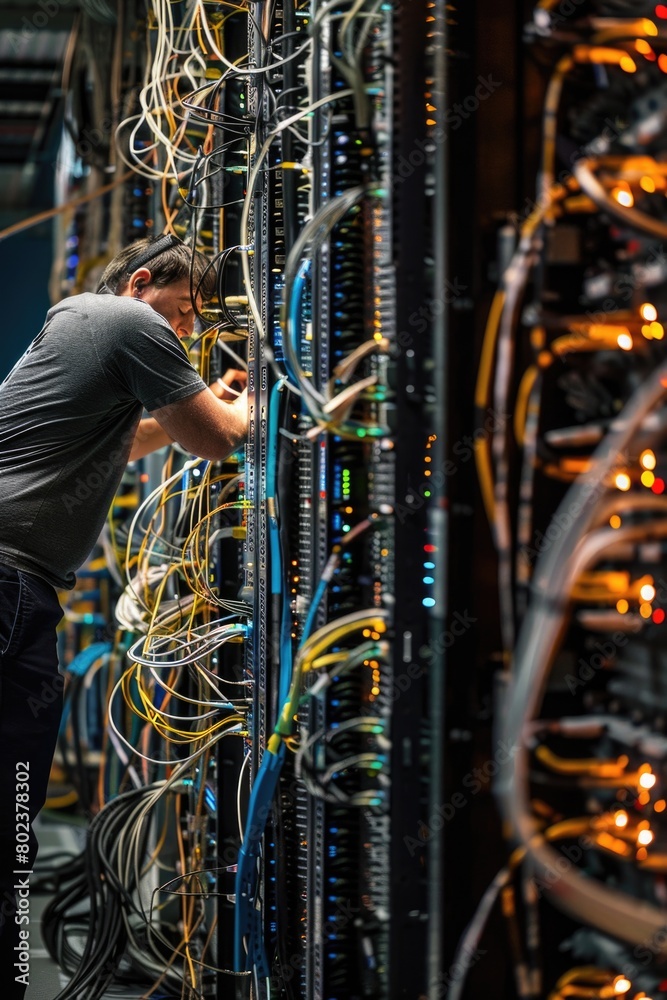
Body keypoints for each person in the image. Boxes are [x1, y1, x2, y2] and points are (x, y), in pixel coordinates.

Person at [0, 232, 248, 997]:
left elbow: (132, 437)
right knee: (12, 793)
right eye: (183, 315)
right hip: (10, 583)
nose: (183, 335)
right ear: (143, 283)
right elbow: (211, 439)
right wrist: (262, 397)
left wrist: (216, 404)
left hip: (13, 583)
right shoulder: (128, 321)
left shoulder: (78, 321)